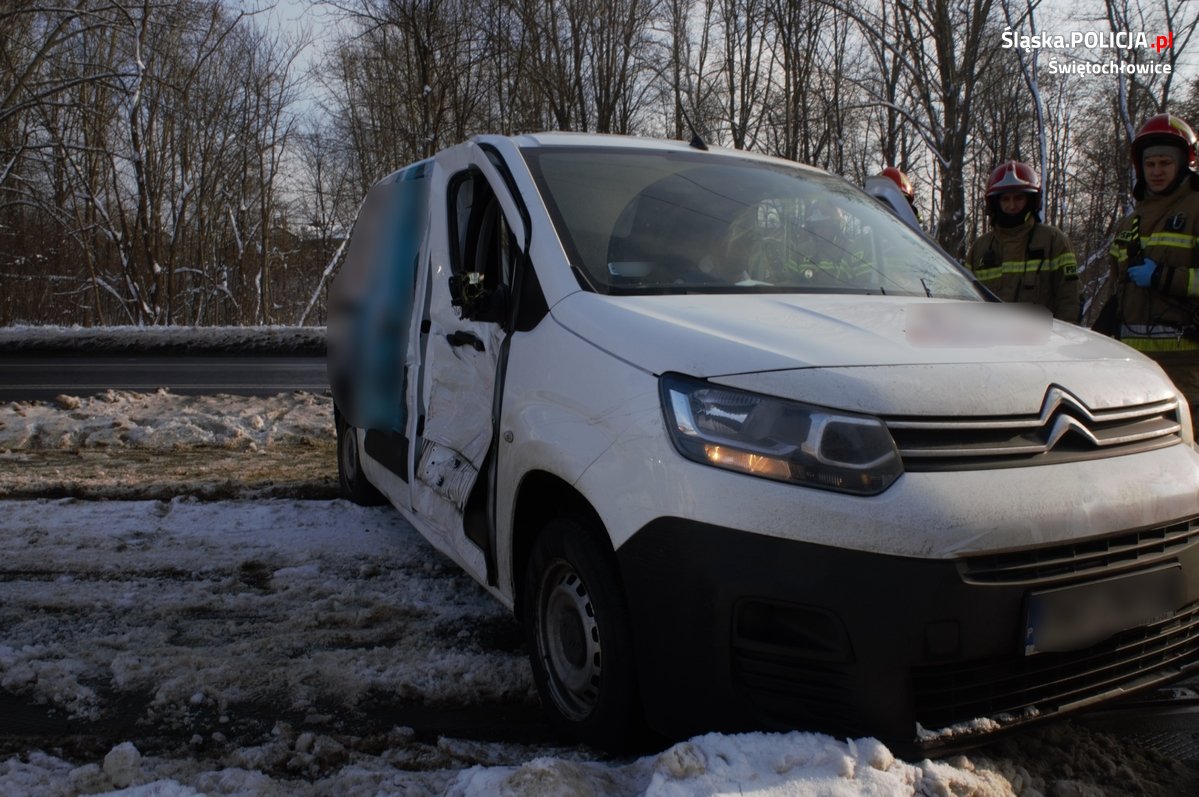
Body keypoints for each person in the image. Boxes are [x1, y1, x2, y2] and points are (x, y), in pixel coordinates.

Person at [1103, 112, 1199, 417]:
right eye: (1150, 164)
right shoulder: (1129, 223)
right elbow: (1116, 288)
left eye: (1165, 163)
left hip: (1189, 369)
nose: (1156, 171)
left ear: (1184, 164)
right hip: (1135, 366)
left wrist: (1163, 277)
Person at [965, 160, 1080, 322]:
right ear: (995, 203)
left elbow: (1069, 298)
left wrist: (1062, 335)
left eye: (1019, 198)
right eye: (1005, 199)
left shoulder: (1053, 241)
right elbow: (965, 300)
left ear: (1031, 200)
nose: (1012, 205)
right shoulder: (980, 248)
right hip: (989, 336)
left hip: (1040, 337)